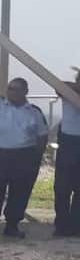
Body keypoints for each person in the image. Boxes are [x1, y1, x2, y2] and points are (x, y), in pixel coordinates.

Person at [0, 77, 49, 239]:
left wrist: (36, 157)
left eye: (17, 89)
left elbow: (42, 136)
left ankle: (12, 226)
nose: (12, 92)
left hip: (25, 156)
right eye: (10, 88)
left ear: (25, 92)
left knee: (20, 193)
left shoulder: (34, 111)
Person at [56, 74, 80, 238]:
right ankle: (62, 226)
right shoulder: (69, 91)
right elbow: (59, 85)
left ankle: (76, 226)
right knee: (62, 189)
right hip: (69, 142)